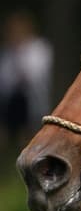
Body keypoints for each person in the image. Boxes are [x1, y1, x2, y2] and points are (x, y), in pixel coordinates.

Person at [0, 11, 53, 149]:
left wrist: (19, 55)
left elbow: (36, 75)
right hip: (10, 100)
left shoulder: (39, 48)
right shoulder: (7, 52)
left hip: (32, 99)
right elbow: (5, 81)